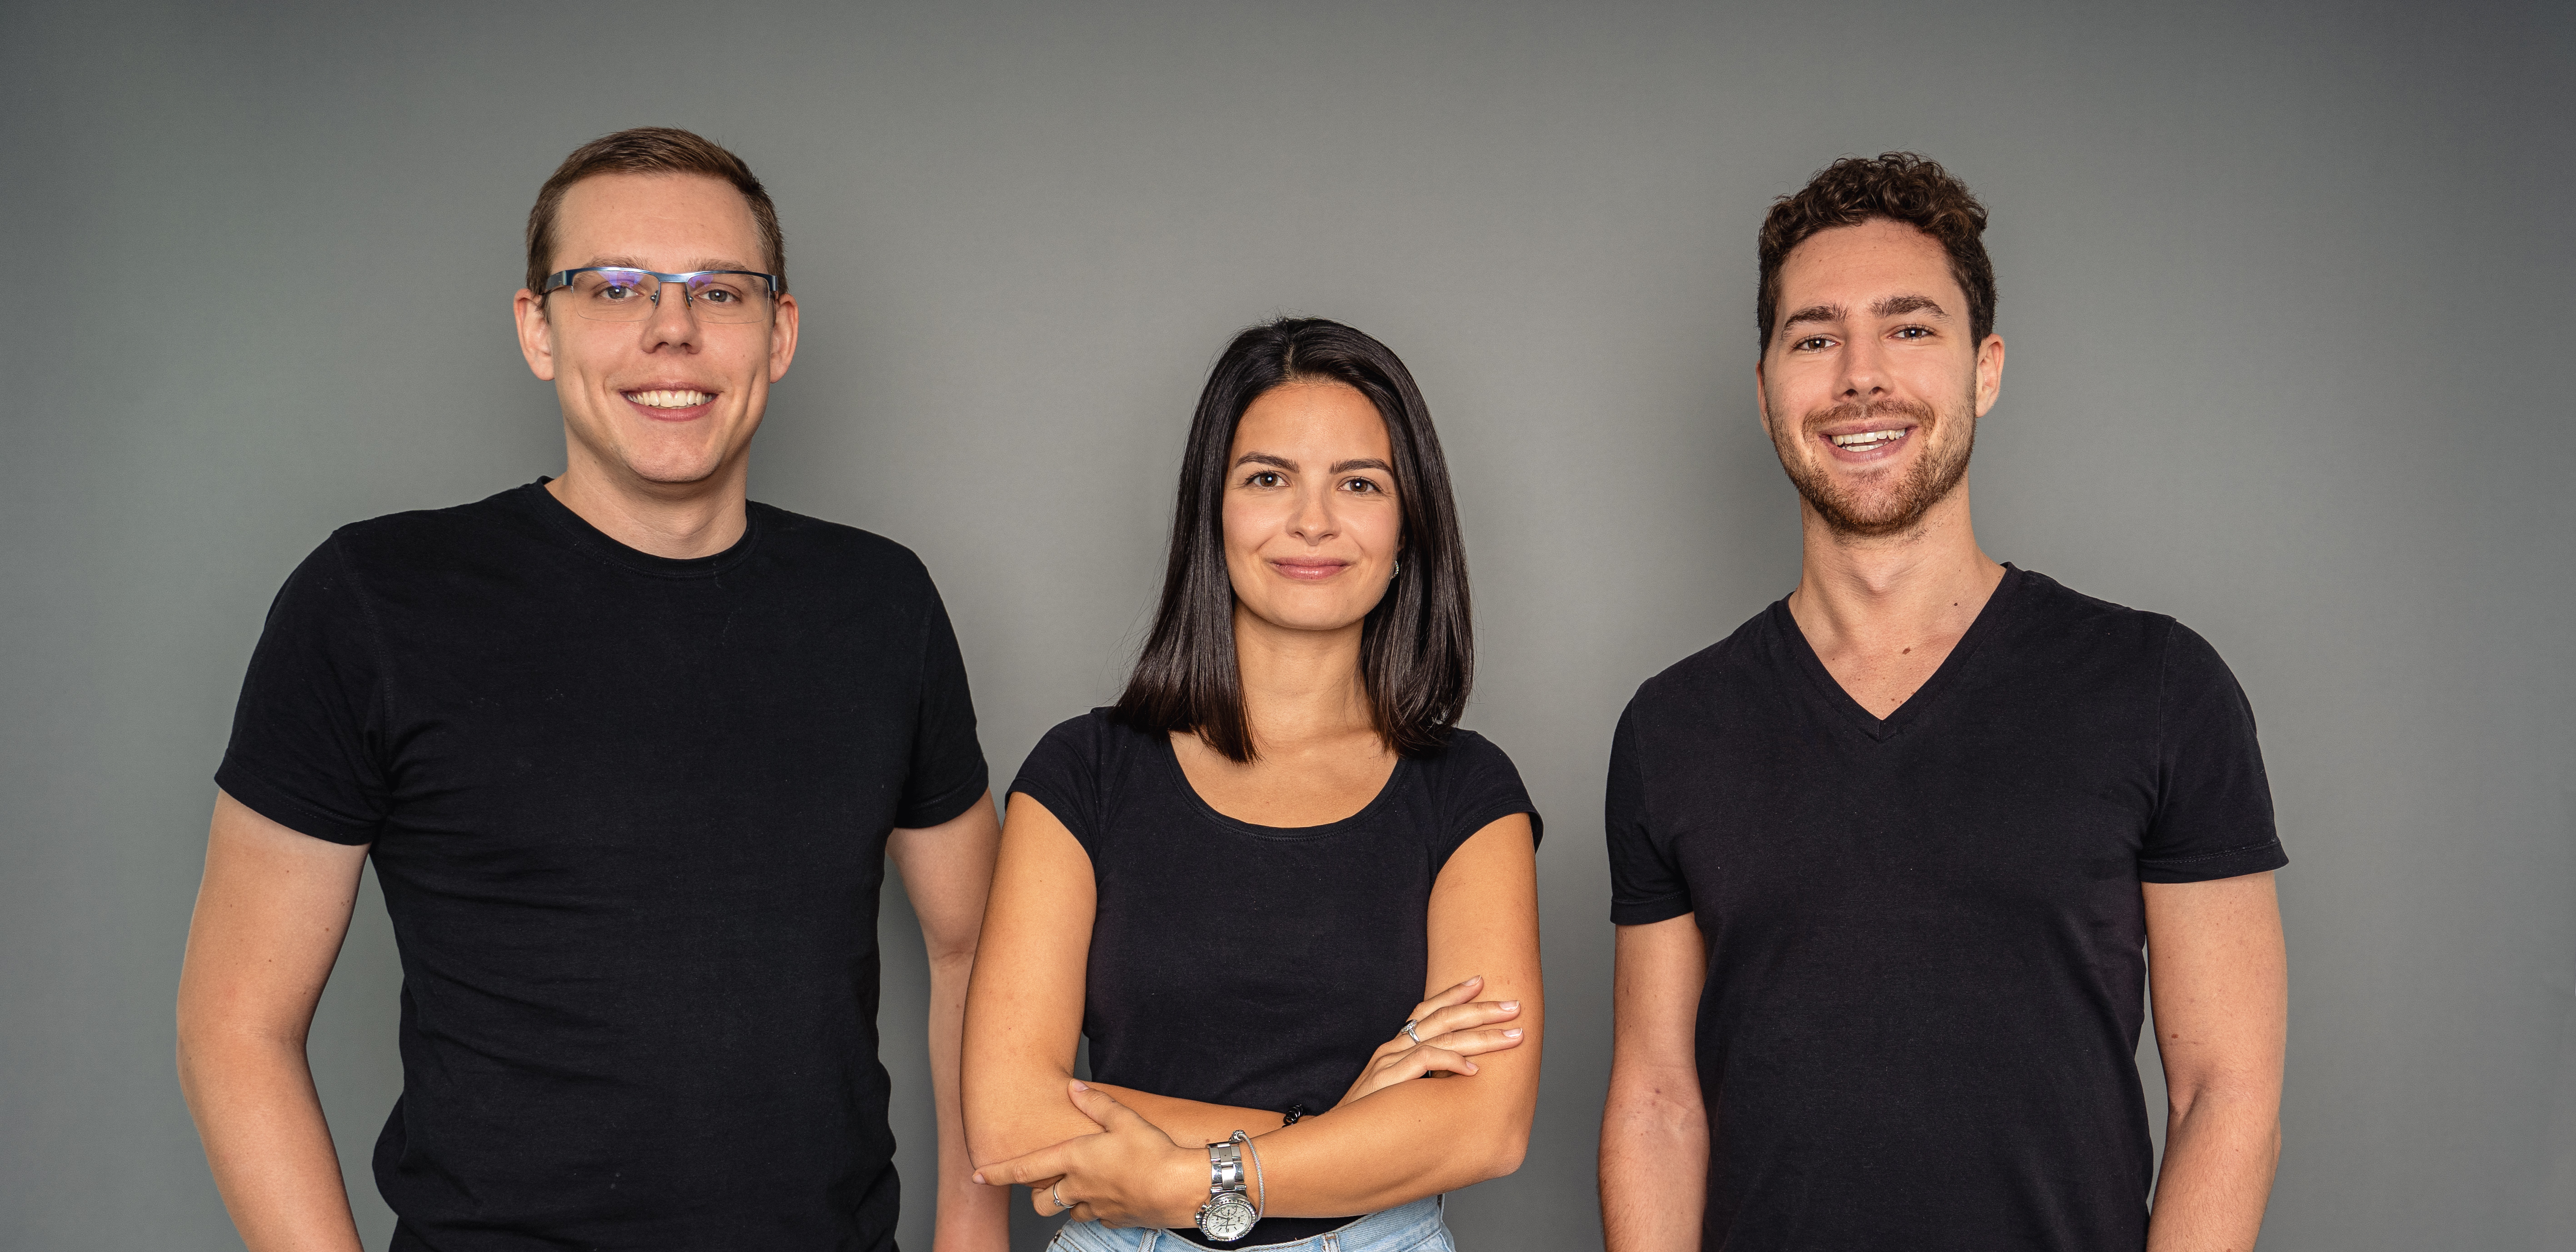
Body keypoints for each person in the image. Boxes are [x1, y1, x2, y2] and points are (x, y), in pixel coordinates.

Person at [175, 127, 1009, 1252]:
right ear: (537, 327)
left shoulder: (881, 603)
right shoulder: (374, 601)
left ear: (779, 334)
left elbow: (972, 951)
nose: (671, 329)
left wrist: (971, 1238)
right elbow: (235, 1026)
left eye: (720, 291)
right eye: (613, 287)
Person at [1597, 154, 2289, 1252]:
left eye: (1909, 328)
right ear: (1768, 382)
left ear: (1985, 368)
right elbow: (1655, 1103)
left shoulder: (2159, 687)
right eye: (1814, 337)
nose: (1858, 377)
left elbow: (2224, 1092)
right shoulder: (1671, 728)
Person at [961, 318, 1543, 1252]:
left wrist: (1193, 1177)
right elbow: (1009, 1116)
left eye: (1358, 484)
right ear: (1212, 515)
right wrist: (1334, 1131)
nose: (1311, 521)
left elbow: (1483, 1127)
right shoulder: (1082, 774)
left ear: (1407, 530)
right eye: (1267, 478)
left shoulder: (1467, 794)